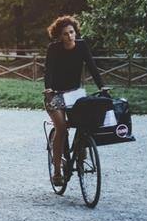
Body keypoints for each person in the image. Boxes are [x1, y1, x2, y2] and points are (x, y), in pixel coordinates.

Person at [43, 15, 105, 186]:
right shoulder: (54, 49)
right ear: (59, 36)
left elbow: (92, 67)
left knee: (86, 121)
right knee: (61, 128)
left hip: (75, 93)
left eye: (71, 32)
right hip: (55, 94)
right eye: (65, 34)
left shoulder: (82, 46)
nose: (70, 36)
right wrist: (48, 88)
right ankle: (57, 172)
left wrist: (102, 87)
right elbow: (48, 71)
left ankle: (81, 146)